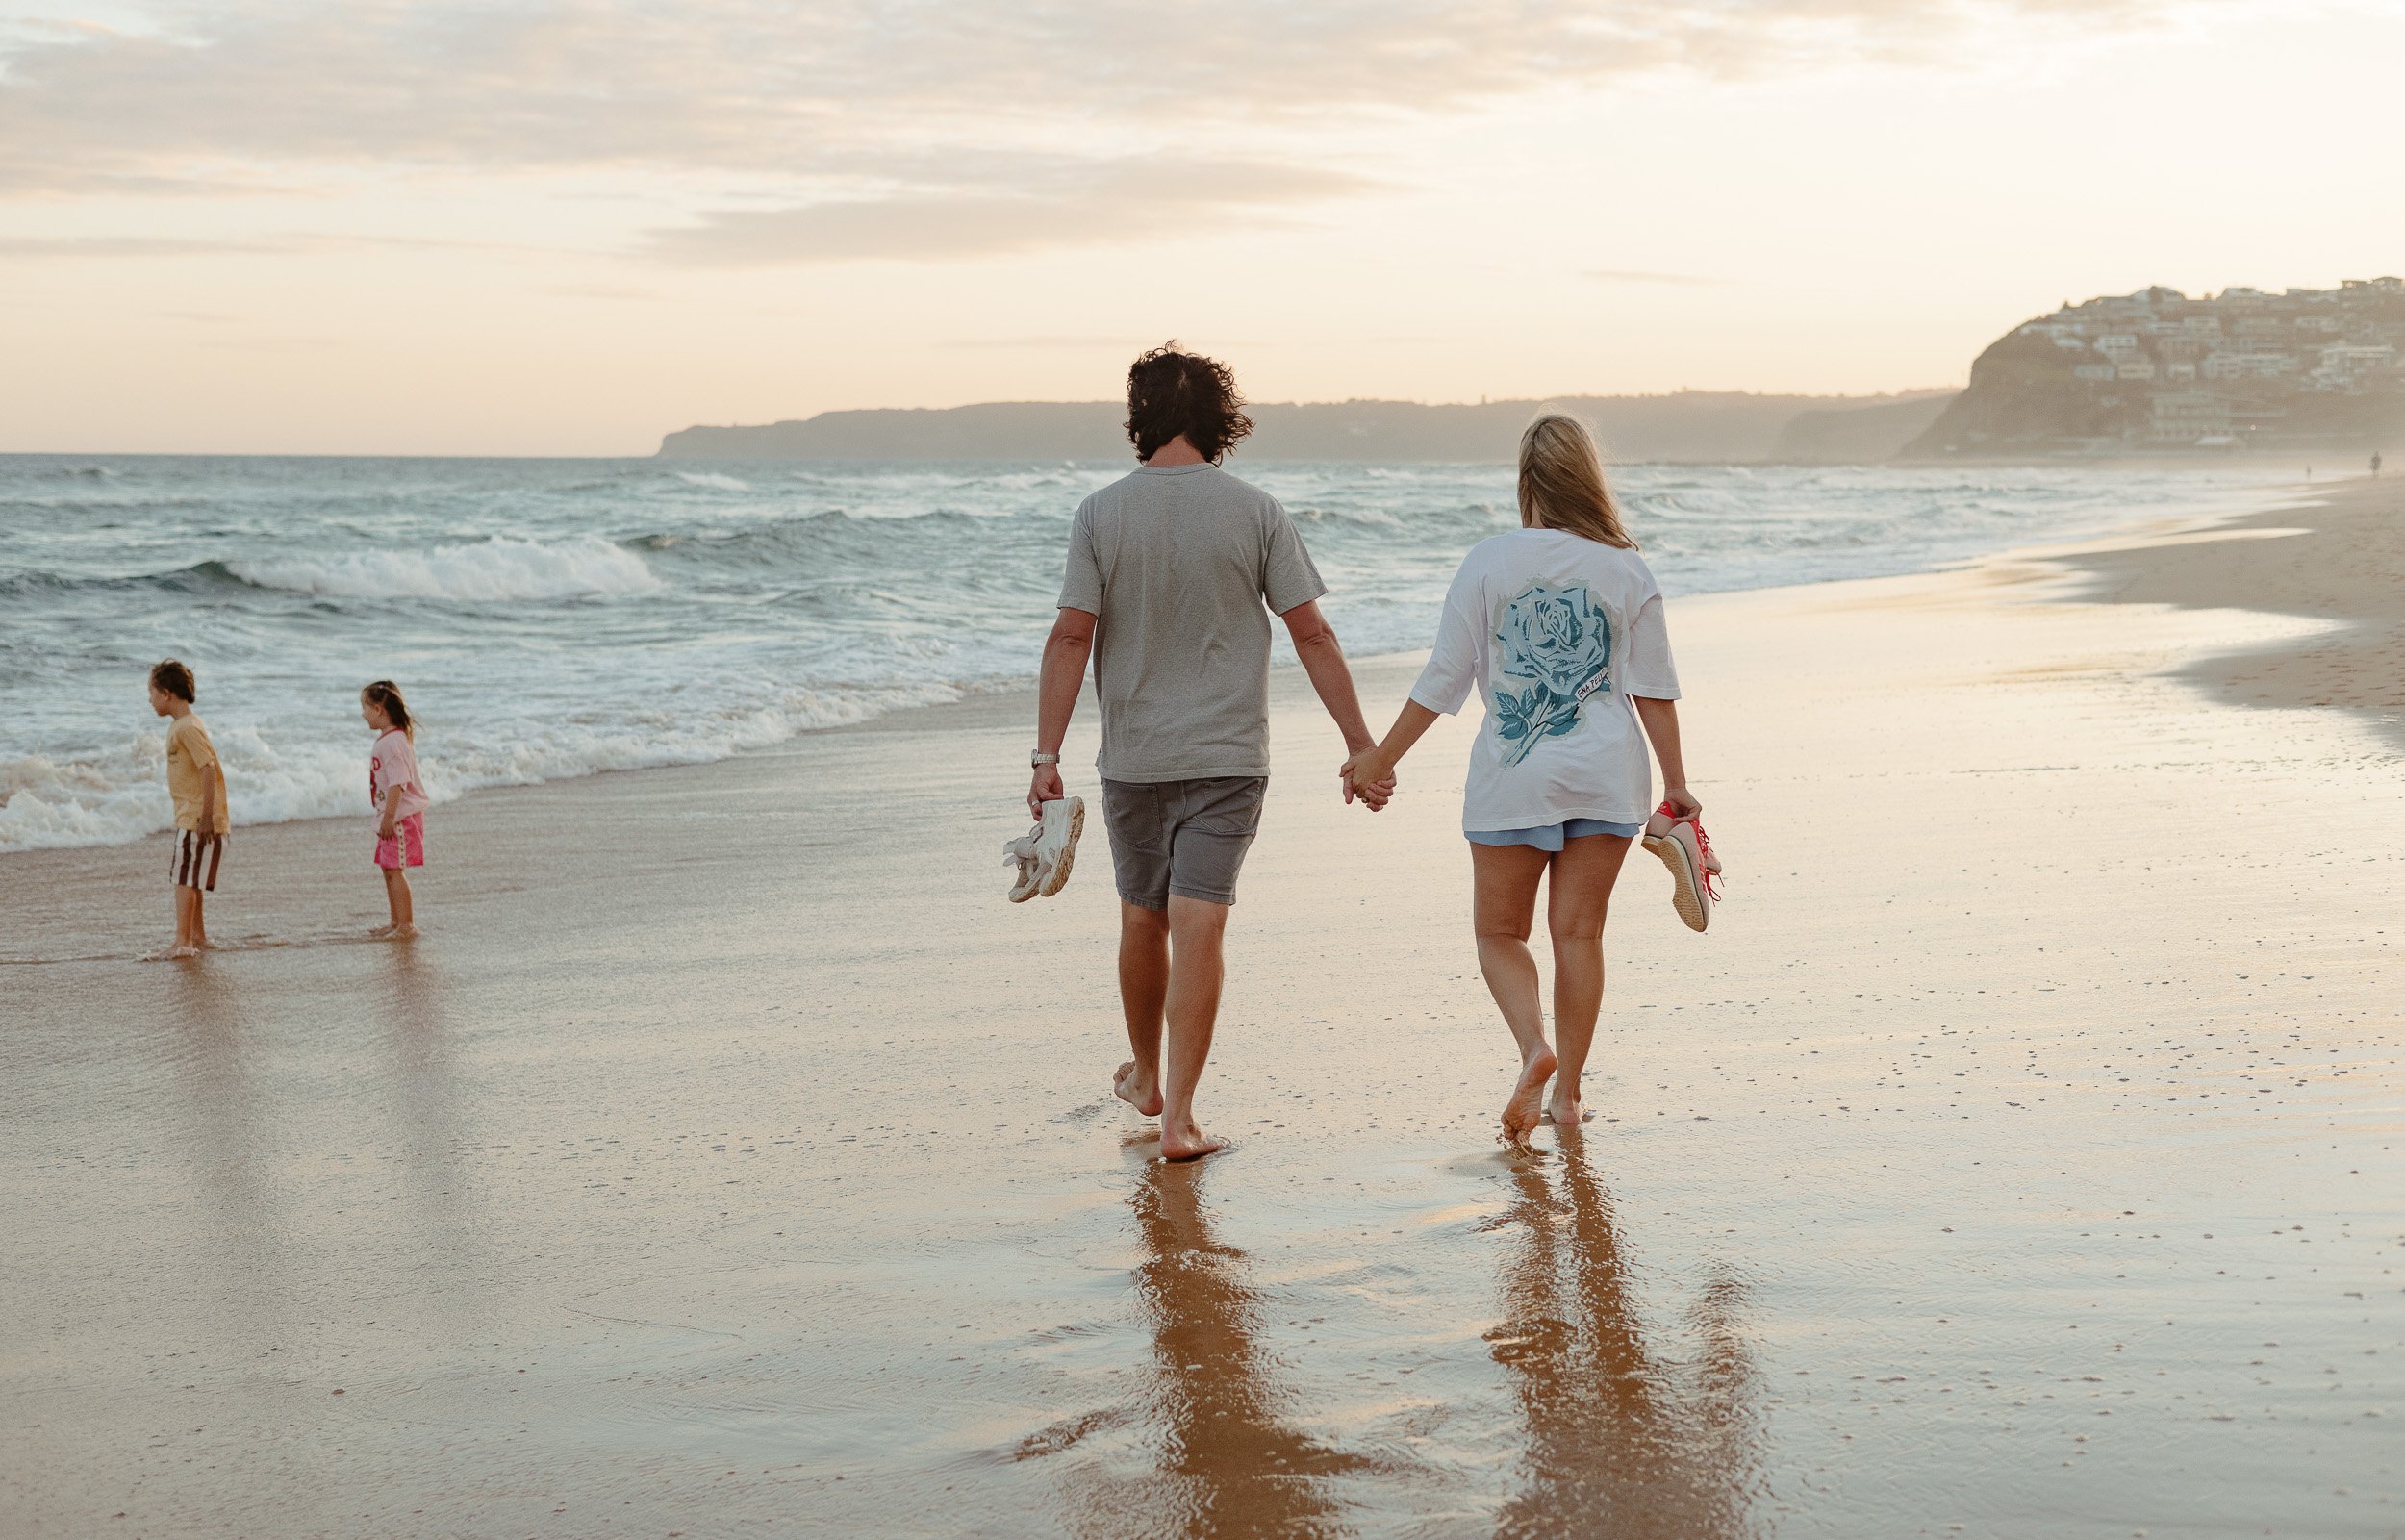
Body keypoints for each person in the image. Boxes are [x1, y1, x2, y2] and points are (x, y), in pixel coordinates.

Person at [1029, 342, 1390, 1162]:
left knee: (1141, 913)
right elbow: (1313, 633)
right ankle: (1181, 1117)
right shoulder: (1257, 510)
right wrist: (1361, 743)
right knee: (1201, 923)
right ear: (1220, 420)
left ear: (1140, 418)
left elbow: (1069, 635)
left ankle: (1150, 1078)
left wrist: (1044, 756)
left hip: (1134, 759)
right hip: (1229, 758)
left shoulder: (1100, 513)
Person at [1341, 414, 1699, 1146]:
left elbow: (1446, 676)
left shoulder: (1489, 560)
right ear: (1590, 480)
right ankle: (1568, 1099)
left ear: (1527, 483)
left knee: (1500, 931)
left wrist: (1382, 758)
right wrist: (1679, 782)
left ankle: (1535, 1046)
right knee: (1579, 936)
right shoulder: (1626, 567)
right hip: (1607, 778)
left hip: (1514, 778)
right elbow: (1653, 686)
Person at [147, 659, 227, 959]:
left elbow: (208, 768)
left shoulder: (186, 728)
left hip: (196, 816)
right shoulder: (185, 725)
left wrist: (205, 817)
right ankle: (196, 936)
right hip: (192, 814)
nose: (150, 700)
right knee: (191, 878)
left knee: (183, 879)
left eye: (152, 693)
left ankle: (182, 941)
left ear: (167, 693)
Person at [362, 680, 428, 938]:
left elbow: (399, 783)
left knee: (395, 870)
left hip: (400, 817)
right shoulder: (389, 739)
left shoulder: (393, 742)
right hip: (391, 816)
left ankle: (406, 925)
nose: (363, 714)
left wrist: (389, 817)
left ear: (379, 709)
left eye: (365, 707)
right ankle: (395, 922)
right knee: (388, 869)